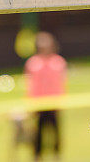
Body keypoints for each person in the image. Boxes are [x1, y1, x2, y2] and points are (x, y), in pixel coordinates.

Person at [25, 32, 66, 160]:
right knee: (38, 133)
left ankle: (56, 154)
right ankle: (37, 156)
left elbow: (61, 82)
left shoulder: (58, 61)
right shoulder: (33, 63)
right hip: (39, 104)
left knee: (55, 131)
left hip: (54, 103)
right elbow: (30, 84)